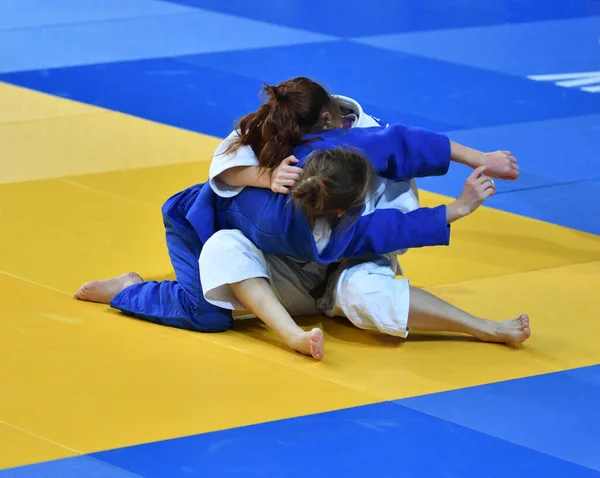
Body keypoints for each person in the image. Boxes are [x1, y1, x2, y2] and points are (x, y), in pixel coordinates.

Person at [75, 78, 530, 360]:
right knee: (210, 300)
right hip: (248, 246)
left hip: (323, 258)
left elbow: (405, 157)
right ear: (340, 208)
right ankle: (133, 290)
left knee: (370, 293)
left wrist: (478, 165)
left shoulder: (355, 142)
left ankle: (482, 328)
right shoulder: (271, 156)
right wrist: (260, 173)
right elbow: (225, 164)